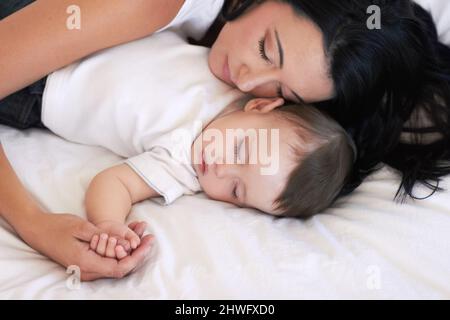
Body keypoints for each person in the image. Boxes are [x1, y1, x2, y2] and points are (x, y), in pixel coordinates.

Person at [1, 0, 449, 280]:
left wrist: (111, 230)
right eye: (265, 50)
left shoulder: (198, 154)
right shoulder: (156, 6)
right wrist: (34, 223)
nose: (249, 79)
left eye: (283, 91)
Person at [1, 30, 355, 259]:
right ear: (261, 106)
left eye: (235, 190)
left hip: (37, 90)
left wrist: (110, 223)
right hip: (57, 28)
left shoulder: (182, 167)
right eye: (240, 150)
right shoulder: (235, 77)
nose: (219, 167)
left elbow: (115, 183)